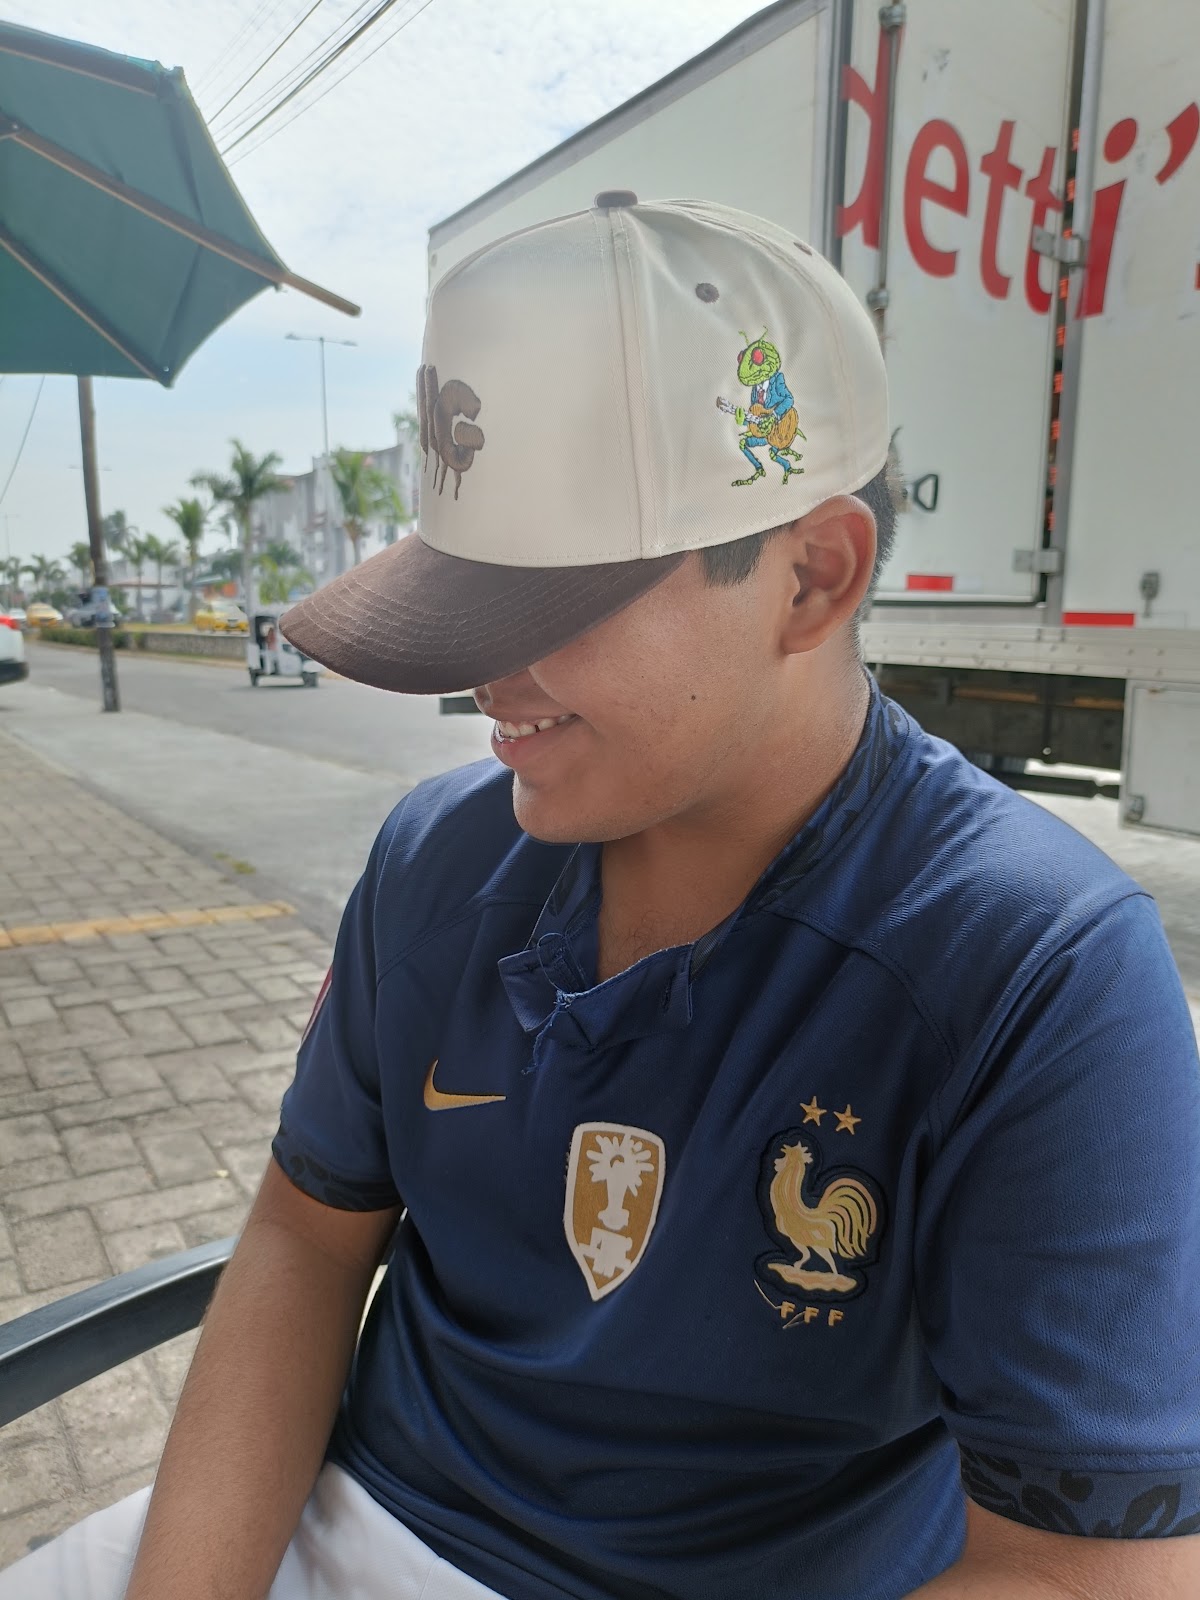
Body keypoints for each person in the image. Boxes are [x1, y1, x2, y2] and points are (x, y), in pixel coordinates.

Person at [5, 196, 1198, 1600]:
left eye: (548, 610)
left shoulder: (1032, 971)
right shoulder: (438, 865)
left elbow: (1088, 1572)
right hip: (369, 1513)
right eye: (462, 604)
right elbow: (304, 1237)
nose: (484, 680)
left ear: (811, 578)